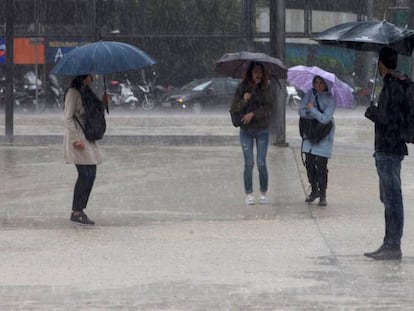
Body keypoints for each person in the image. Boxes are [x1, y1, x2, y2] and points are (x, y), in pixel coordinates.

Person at [364, 46, 408, 260]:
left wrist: (372, 112)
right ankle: (389, 241)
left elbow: (389, 120)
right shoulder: (399, 83)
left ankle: (392, 244)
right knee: (388, 197)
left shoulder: (392, 86)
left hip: (388, 149)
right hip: (391, 148)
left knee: (392, 198)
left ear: (381, 64)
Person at [63, 74, 108, 225]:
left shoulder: (86, 91)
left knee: (91, 173)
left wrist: (102, 103)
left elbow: (91, 111)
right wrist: (75, 139)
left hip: (87, 136)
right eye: (90, 75)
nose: (92, 78)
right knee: (85, 174)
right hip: (78, 137)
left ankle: (80, 209)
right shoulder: (73, 92)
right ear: (83, 76)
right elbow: (67, 117)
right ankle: (77, 211)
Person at [230, 61, 272, 205]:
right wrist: (244, 100)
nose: (258, 74)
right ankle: (248, 193)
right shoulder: (242, 87)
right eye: (255, 72)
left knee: (261, 162)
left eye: (260, 71)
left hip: (262, 129)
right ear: (250, 73)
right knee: (249, 163)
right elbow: (234, 107)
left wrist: (253, 114)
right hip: (246, 131)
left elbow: (268, 107)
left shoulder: (267, 87)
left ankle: (263, 192)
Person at [298, 75, 336, 206]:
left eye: (321, 83)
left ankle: (323, 194)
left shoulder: (331, 99)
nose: (318, 85)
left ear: (326, 85)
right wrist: (309, 112)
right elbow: (301, 111)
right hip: (310, 133)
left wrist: (312, 110)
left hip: (324, 135)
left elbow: (326, 119)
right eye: (316, 82)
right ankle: (314, 189)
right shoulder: (310, 94)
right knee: (309, 163)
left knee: (321, 166)